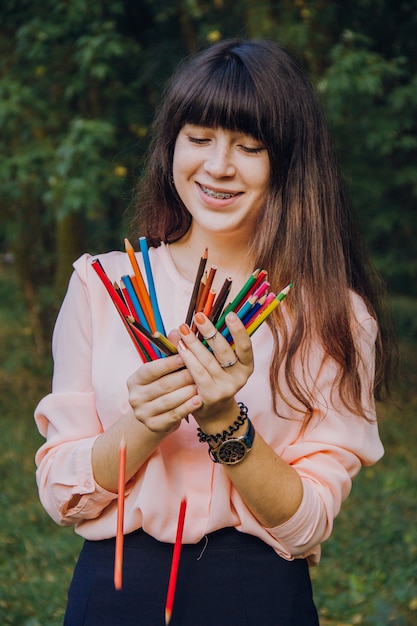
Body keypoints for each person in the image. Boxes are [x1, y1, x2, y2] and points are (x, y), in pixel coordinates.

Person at [34, 38, 391, 626]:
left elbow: (306, 526)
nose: (218, 165)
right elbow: (61, 492)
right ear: (171, 145)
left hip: (258, 592)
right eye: (199, 139)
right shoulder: (102, 283)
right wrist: (145, 422)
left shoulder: (335, 315)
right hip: (117, 590)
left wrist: (226, 421)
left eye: (248, 146)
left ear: (288, 162)